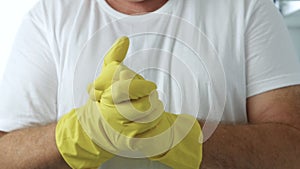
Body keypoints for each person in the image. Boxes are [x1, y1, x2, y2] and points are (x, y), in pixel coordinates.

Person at [0, 0, 300, 168]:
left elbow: (292, 148)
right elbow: (6, 155)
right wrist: (82, 132)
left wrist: (175, 136)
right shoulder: (49, 19)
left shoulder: (248, 9)